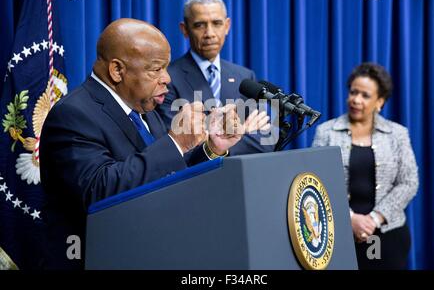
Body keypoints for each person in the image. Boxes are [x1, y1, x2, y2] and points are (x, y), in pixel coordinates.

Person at [39, 18, 268, 269]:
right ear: (117, 70)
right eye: (156, 69)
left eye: (166, 68)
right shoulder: (73, 114)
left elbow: (164, 174)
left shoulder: (144, 107)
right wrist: (176, 142)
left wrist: (210, 149)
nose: (167, 78)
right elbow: (98, 191)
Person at [312, 62, 419, 270]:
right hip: (337, 233)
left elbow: (409, 182)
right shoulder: (326, 132)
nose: (356, 100)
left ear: (380, 101)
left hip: (388, 235)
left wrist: (373, 219)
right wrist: (350, 219)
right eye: (353, 92)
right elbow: (317, 182)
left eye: (365, 95)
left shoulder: (397, 134)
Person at [157, 0, 273, 154]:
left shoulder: (245, 77)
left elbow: (266, 141)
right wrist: (242, 132)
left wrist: (212, 139)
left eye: (217, 23)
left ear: (227, 26)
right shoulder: (167, 79)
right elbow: (176, 145)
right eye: (199, 25)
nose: (209, 33)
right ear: (184, 29)